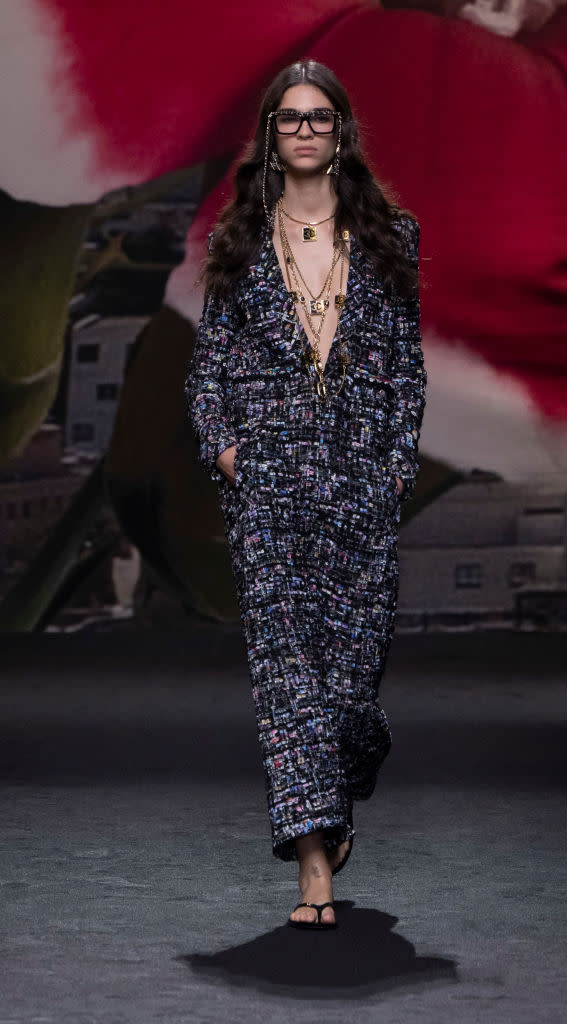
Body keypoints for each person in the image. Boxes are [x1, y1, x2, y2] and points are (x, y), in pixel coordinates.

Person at [185, 59, 427, 930]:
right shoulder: (240, 240)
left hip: (361, 478)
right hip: (270, 484)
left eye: (319, 118)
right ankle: (314, 869)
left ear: (341, 133)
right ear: (270, 136)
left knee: (351, 685)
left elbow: (406, 366)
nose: (305, 132)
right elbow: (208, 366)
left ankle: (345, 774)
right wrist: (226, 451)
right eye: (290, 120)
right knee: (289, 679)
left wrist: (396, 461)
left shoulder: (393, 236)